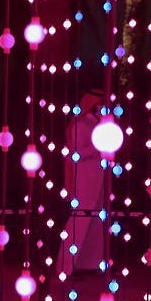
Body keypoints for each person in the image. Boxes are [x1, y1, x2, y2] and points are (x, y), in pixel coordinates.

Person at [58, 88, 107, 276]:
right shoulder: (81, 124)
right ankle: (66, 266)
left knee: (96, 222)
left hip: (98, 178)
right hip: (84, 179)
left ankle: (89, 264)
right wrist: (97, 145)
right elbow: (76, 153)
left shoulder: (100, 124)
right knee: (80, 219)